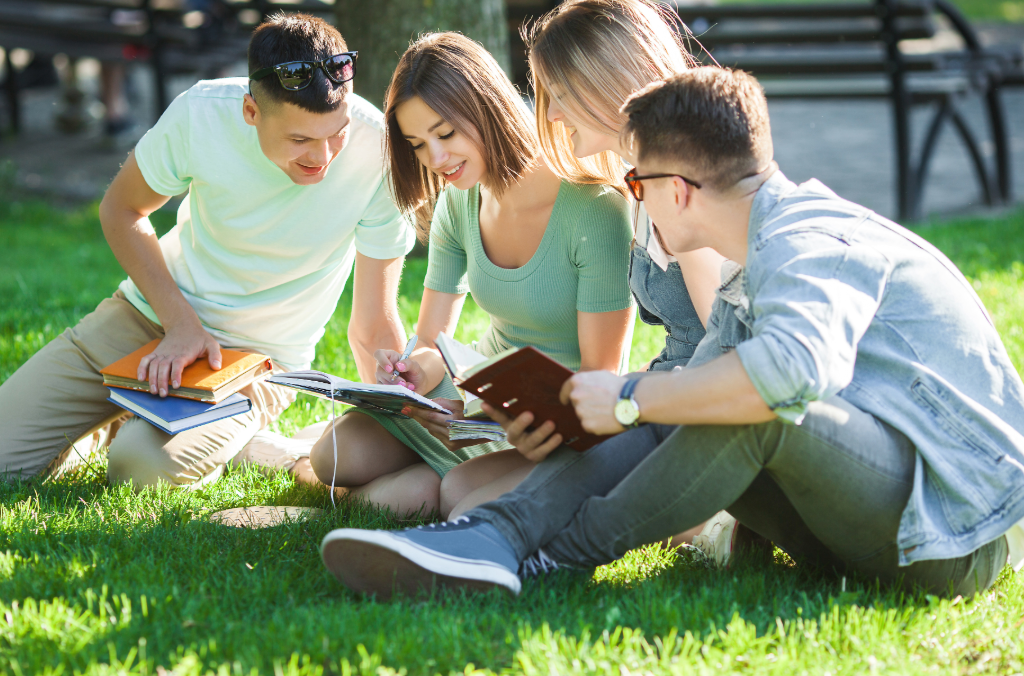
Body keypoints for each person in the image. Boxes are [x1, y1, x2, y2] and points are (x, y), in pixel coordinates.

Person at [318, 67, 1024, 599]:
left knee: (746, 404)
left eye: (638, 185)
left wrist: (630, 393)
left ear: (676, 189)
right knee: (681, 400)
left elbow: (791, 373)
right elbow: (664, 414)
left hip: (951, 537)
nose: (637, 201)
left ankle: (546, 558)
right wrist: (637, 401)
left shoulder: (815, 240)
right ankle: (495, 536)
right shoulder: (751, 265)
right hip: (866, 523)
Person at [0, 13, 414, 489]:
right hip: (146, 319)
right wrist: (180, 324)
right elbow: (122, 208)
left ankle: (148, 426)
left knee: (138, 468)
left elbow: (374, 321)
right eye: (299, 139)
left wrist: (390, 421)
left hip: (255, 361)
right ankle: (121, 414)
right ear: (251, 112)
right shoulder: (202, 112)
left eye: (334, 134)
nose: (322, 158)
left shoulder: (379, 151)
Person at [307, 32, 635, 518]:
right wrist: (417, 371)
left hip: (553, 420)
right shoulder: (461, 200)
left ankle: (404, 491)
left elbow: (600, 377)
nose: (436, 160)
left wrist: (498, 420)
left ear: (486, 109)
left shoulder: (594, 211)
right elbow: (431, 339)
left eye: (445, 135)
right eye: (418, 144)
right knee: (334, 454)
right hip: (478, 400)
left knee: (438, 496)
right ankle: (391, 482)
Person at [524, 0, 736, 550]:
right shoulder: (640, 179)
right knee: (488, 480)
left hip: (698, 416)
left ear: (612, 82)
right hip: (667, 399)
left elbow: (727, 345)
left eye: (563, 93)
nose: (552, 114)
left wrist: (629, 407)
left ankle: (717, 525)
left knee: (526, 496)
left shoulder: (678, 184)